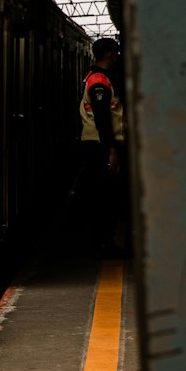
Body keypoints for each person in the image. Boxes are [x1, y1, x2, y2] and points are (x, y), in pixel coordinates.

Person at [79, 36, 128, 257]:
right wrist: (112, 151)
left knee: (104, 194)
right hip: (100, 146)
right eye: (115, 53)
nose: (117, 57)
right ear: (109, 54)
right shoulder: (99, 81)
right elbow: (102, 119)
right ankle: (104, 244)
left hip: (98, 144)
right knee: (106, 196)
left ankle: (103, 242)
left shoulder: (97, 77)